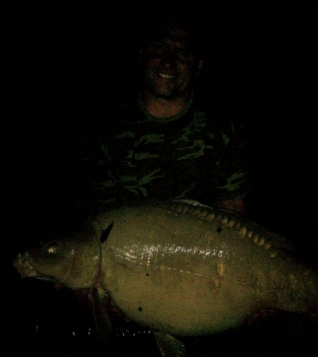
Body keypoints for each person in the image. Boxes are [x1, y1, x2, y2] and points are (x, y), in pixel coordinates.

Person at [78, 16, 252, 216]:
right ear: (142, 53)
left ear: (199, 64)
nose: (168, 62)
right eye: (159, 49)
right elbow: (98, 217)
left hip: (202, 243)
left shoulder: (224, 129)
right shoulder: (104, 130)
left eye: (181, 52)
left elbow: (233, 210)